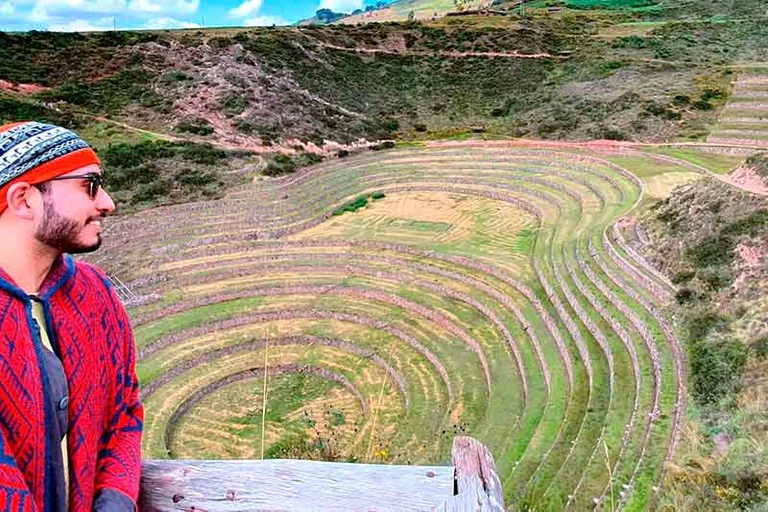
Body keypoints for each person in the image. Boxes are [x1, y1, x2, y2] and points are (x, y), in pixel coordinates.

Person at [0, 121, 143, 511]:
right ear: (24, 200)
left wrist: (115, 500)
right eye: (89, 185)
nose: (107, 203)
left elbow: (125, 409)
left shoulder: (95, 293)